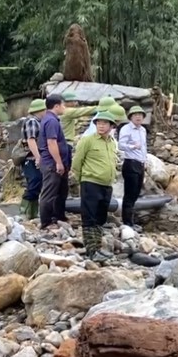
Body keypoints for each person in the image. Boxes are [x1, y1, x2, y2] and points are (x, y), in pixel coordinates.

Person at [72, 111, 119, 261]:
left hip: (106, 185)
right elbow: (76, 163)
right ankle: (91, 251)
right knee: (89, 217)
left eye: (105, 123)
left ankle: (98, 247)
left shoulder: (112, 142)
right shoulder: (88, 140)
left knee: (101, 217)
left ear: (111, 126)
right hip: (90, 182)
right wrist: (83, 180)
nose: (101, 125)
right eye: (98, 123)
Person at [38, 94, 70, 228]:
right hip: (52, 163)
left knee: (61, 191)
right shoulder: (51, 121)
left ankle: (58, 216)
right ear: (56, 106)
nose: (65, 107)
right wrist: (58, 162)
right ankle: (46, 221)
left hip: (55, 162)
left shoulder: (50, 119)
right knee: (49, 192)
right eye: (63, 104)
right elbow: (51, 142)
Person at [117, 106, 148, 227]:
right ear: (130, 117)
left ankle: (131, 220)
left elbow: (144, 147)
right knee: (129, 194)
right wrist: (132, 146)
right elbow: (120, 145)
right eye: (135, 115)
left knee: (136, 192)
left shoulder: (143, 130)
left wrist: (145, 161)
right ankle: (127, 222)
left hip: (140, 163)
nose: (138, 117)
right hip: (130, 162)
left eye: (140, 115)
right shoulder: (126, 129)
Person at [20, 99, 46, 220]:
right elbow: (31, 140)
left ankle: (32, 214)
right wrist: (38, 157)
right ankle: (24, 213)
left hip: (33, 157)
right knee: (34, 181)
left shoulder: (38, 121)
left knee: (37, 183)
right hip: (30, 158)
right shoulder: (32, 121)